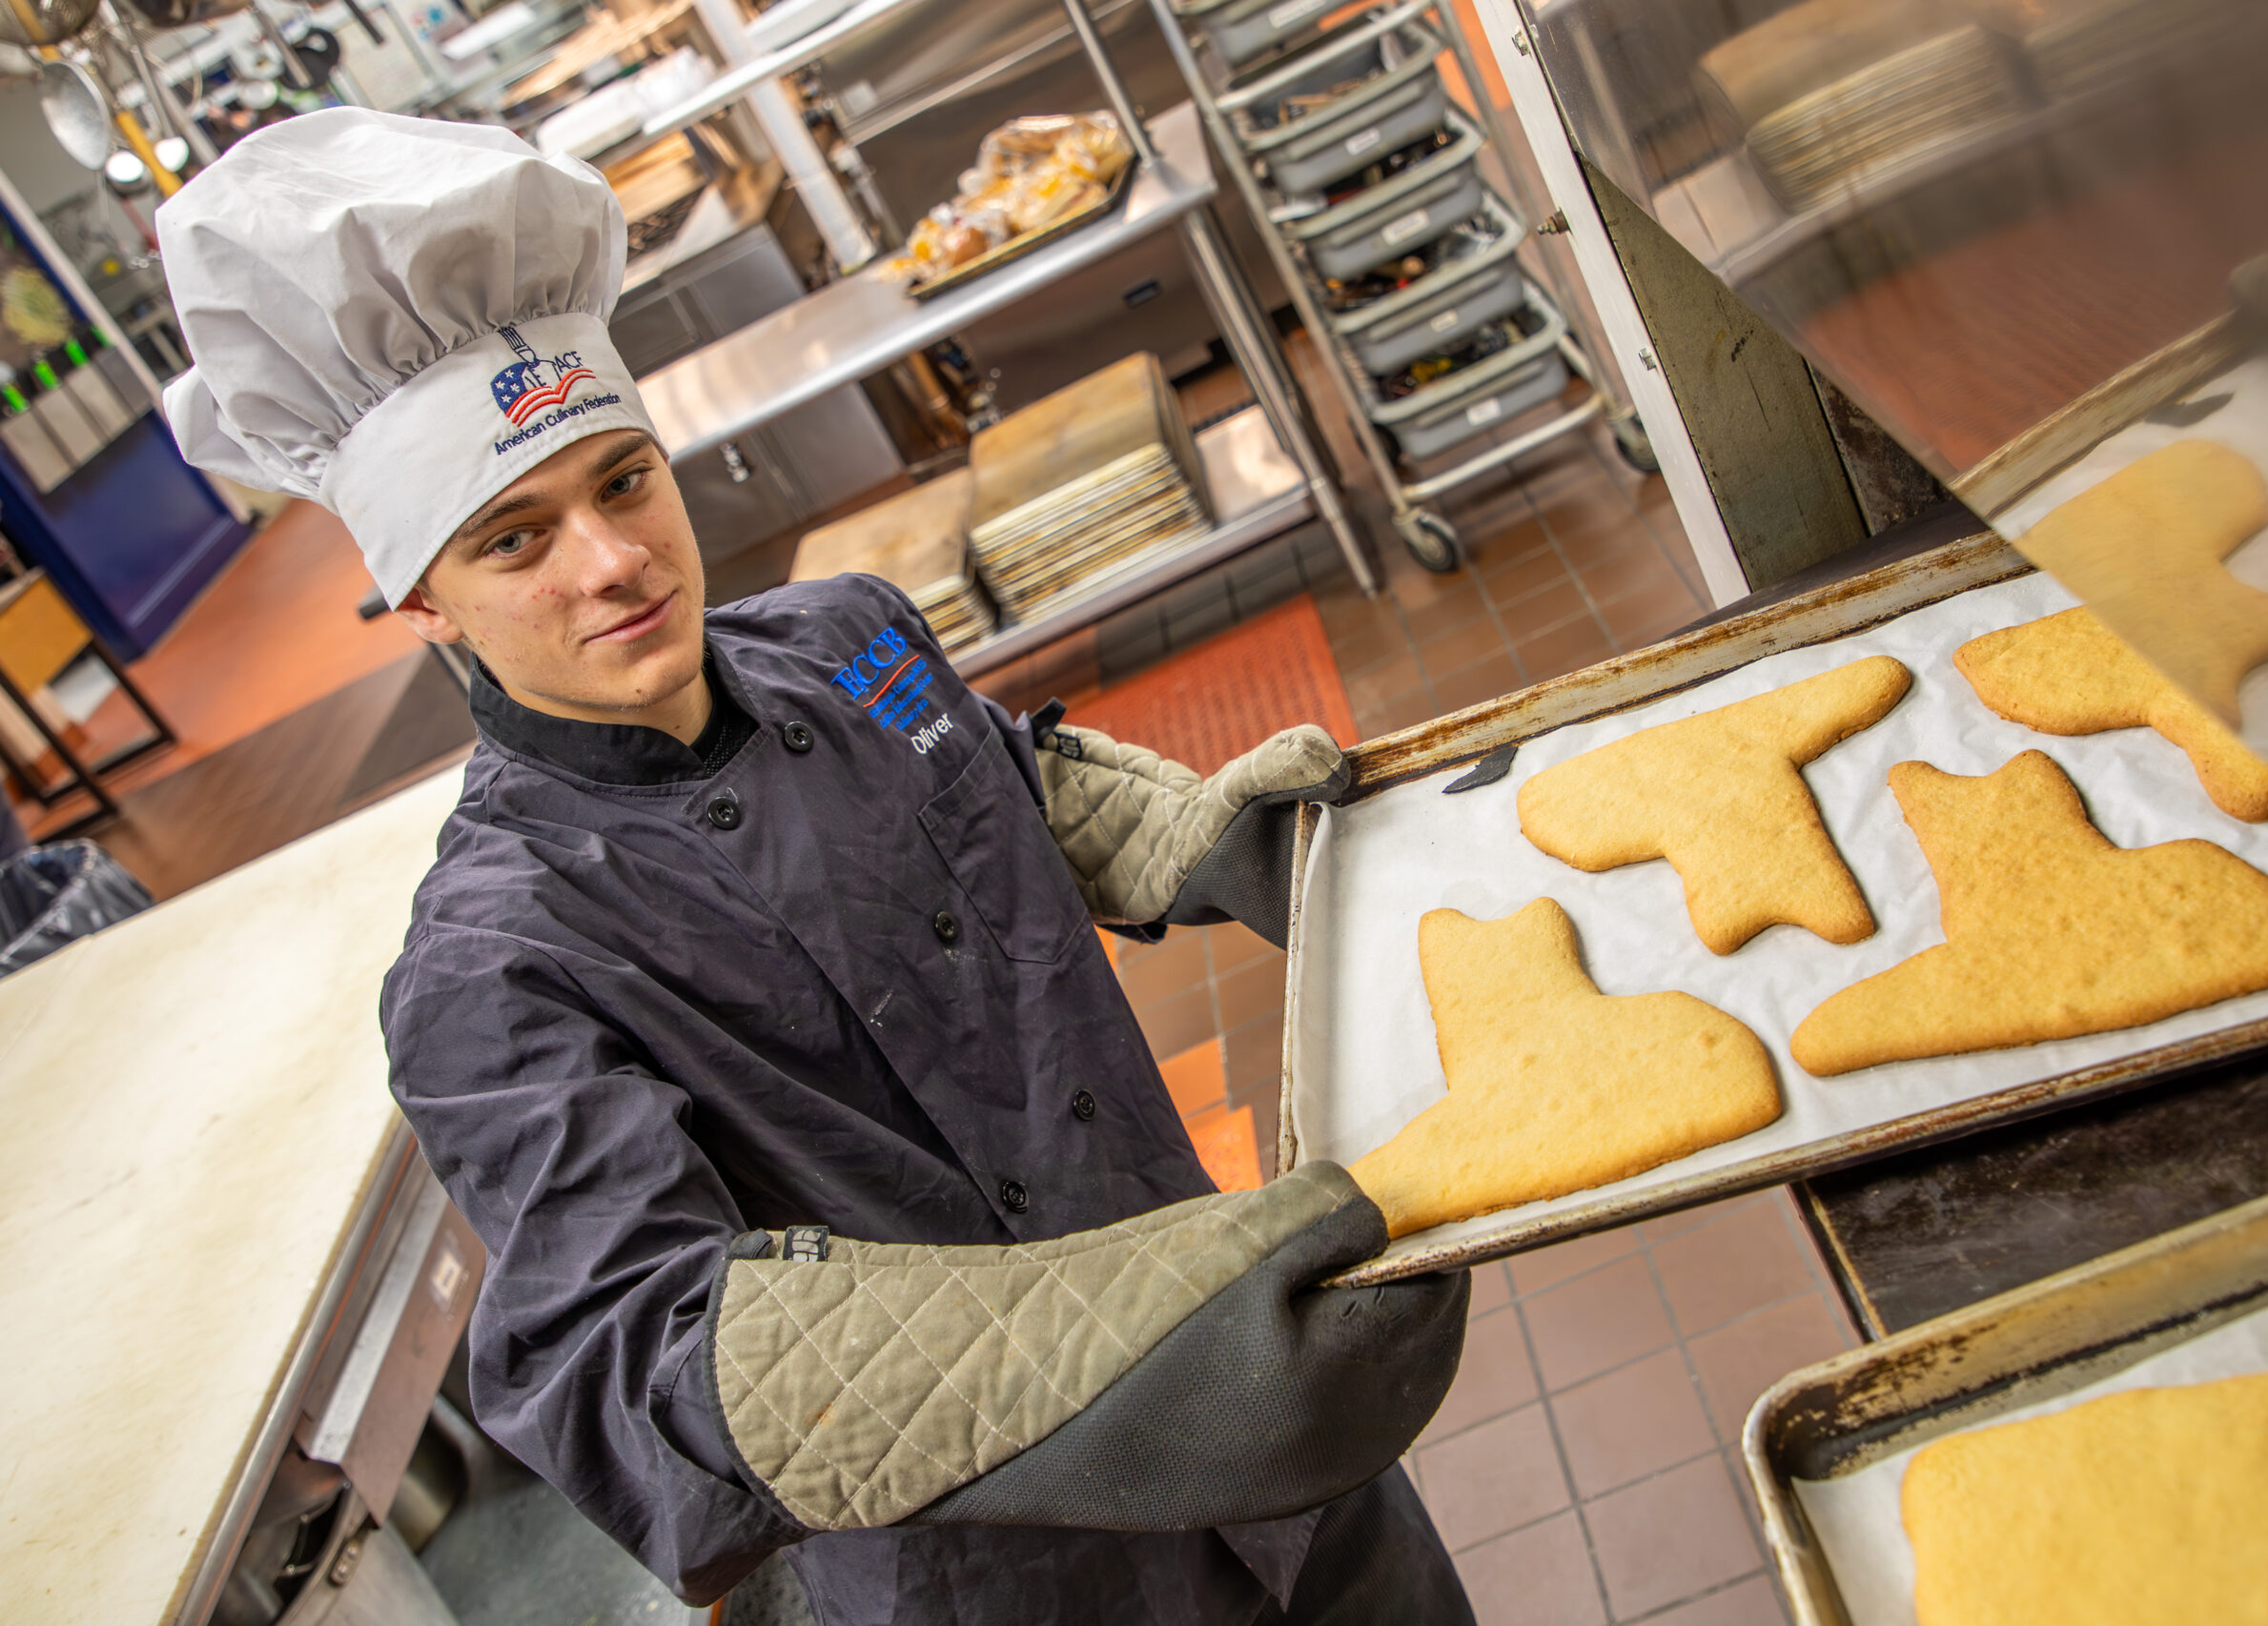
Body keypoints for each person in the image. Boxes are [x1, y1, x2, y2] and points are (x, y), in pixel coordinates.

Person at [157, 111, 1476, 1623]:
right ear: (425, 602)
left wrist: (1217, 836)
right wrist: (1157, 1333)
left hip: (1287, 1447)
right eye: (515, 539)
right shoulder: (496, 968)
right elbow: (645, 1346)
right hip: (1015, 1574)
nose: (611, 560)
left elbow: (998, 782)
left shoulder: (847, 635)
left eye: (623, 481)